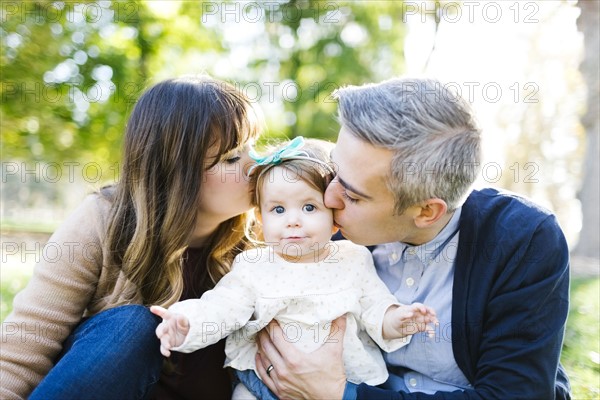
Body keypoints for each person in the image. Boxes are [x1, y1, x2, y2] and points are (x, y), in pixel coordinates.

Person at [253, 78, 572, 399]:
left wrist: (340, 395)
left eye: (352, 195)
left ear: (426, 212)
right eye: (333, 171)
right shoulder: (325, 230)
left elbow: (514, 395)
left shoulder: (522, 240)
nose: (330, 196)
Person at [0, 75, 263, 400]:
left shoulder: (274, 235)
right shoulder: (103, 220)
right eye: (232, 157)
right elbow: (25, 347)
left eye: (254, 147)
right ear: (177, 172)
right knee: (134, 326)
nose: (256, 164)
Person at [150, 137, 438, 400]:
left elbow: (375, 307)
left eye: (309, 208)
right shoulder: (253, 266)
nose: (293, 221)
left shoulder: (353, 259)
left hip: (344, 381)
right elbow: (222, 308)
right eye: (278, 209)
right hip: (266, 385)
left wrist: (398, 319)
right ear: (261, 219)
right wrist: (187, 323)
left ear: (334, 216)